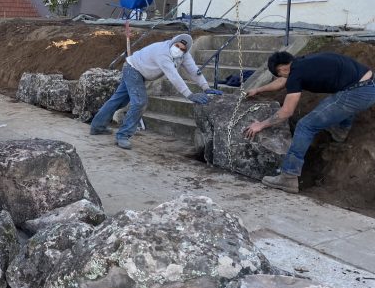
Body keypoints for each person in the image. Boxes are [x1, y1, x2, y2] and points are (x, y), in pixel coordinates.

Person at [243, 51, 375, 193]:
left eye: (279, 74)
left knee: (305, 125)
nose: (282, 77)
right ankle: (340, 132)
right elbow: (283, 80)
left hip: (356, 93)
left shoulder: (295, 74)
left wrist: (260, 125)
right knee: (339, 98)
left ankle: (288, 177)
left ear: (281, 69)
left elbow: (287, 112)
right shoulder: (302, 62)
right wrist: (258, 89)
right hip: (368, 86)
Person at [90, 33, 223, 150]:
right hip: (133, 69)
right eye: (177, 46)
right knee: (140, 102)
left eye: (182, 49)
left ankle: (97, 126)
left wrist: (206, 87)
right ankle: (122, 135)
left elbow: (194, 70)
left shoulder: (184, 55)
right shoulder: (163, 53)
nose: (179, 50)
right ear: (173, 42)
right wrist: (189, 94)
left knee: (119, 100)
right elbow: (173, 76)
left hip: (138, 71)